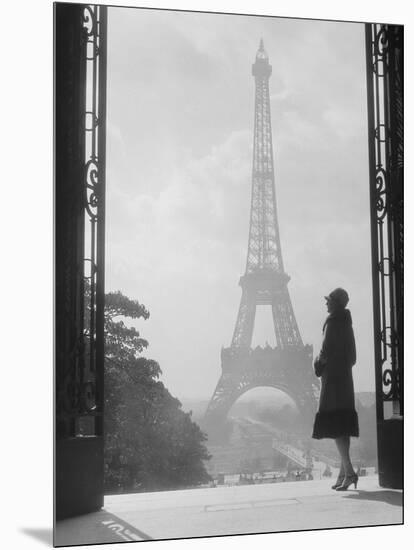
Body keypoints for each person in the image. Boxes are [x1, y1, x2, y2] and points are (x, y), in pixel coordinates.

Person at [312, 288, 359, 491]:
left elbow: (325, 350)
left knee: (336, 427)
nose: (326, 304)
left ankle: (349, 473)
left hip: (333, 381)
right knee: (343, 426)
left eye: (329, 300)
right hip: (345, 380)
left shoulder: (332, 322)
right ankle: (343, 474)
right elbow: (353, 357)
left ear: (336, 303)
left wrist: (318, 365)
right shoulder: (347, 323)